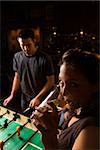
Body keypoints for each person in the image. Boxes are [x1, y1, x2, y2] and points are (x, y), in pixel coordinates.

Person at [33, 49, 99, 149]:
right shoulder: (78, 104)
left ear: (95, 86)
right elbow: (62, 102)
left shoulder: (90, 133)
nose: (63, 92)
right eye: (61, 82)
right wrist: (48, 106)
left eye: (73, 84)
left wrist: (50, 140)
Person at [3, 28, 55, 112]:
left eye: (28, 45)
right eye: (22, 45)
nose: (25, 48)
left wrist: (38, 98)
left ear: (34, 41)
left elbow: (50, 81)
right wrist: (12, 95)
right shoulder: (17, 57)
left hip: (42, 99)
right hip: (25, 98)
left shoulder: (45, 58)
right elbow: (17, 76)